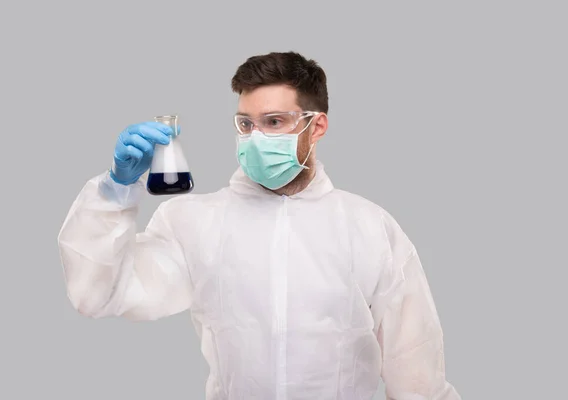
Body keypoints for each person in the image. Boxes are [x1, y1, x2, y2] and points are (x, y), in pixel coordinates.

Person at [57, 51, 461, 400]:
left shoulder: (370, 228)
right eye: (246, 124)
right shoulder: (194, 223)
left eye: (273, 122)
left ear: (315, 126)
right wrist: (116, 189)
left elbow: (416, 370)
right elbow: (99, 294)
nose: (254, 138)